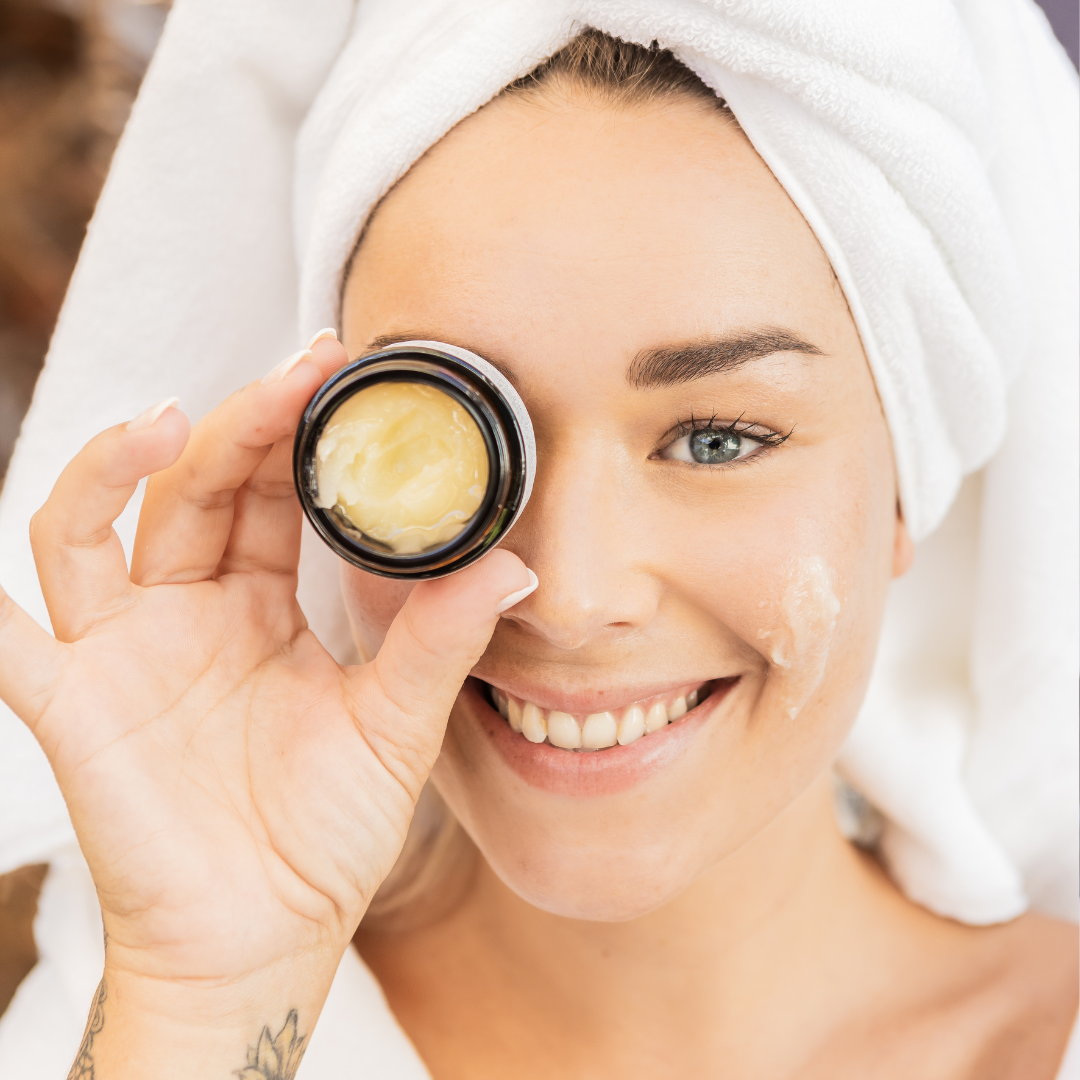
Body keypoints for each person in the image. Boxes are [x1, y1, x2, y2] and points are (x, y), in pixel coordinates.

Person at [0, 11, 1076, 1080]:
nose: (567, 597)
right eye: (460, 433)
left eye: (717, 439)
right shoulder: (160, 1022)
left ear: (904, 494)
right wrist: (207, 1005)